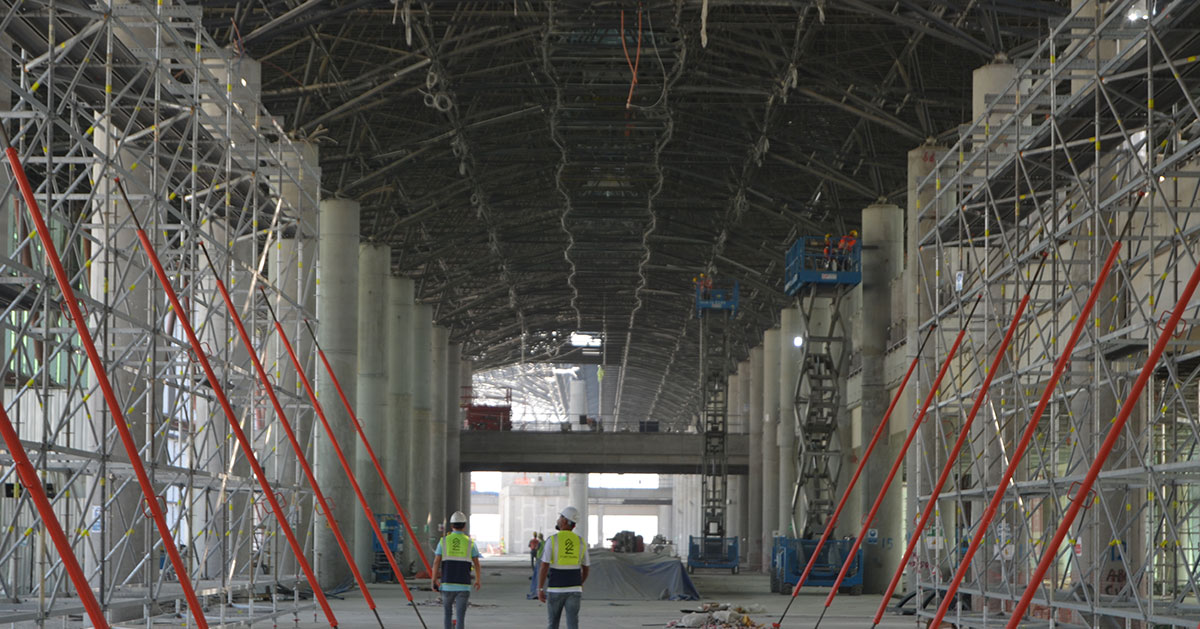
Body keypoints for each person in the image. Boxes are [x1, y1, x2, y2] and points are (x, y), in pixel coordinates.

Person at [537, 506, 590, 629]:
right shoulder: (581, 541)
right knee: (573, 625)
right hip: (575, 590)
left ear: (565, 521)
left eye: (560, 517)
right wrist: (579, 583)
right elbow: (586, 567)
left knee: (553, 624)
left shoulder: (553, 540)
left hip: (556, 589)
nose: (558, 519)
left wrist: (539, 589)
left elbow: (544, 566)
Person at [432, 511, 482, 629]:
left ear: (451, 525)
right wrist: (478, 580)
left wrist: (434, 580)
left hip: (447, 584)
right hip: (463, 585)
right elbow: (477, 564)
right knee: (460, 617)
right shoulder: (470, 543)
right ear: (464, 525)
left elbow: (436, 562)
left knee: (447, 614)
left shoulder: (443, 541)